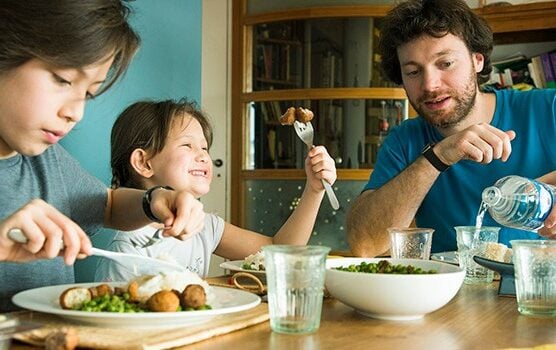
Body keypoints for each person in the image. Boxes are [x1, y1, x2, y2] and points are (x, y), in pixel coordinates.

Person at [0, 0, 208, 311]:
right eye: (63, 80)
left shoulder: (48, 160)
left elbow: (107, 206)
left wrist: (154, 200)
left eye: (88, 93)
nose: (75, 112)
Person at [346, 0, 556, 257]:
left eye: (445, 64)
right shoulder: (405, 140)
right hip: (455, 295)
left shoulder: (549, 108)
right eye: (413, 72)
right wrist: (437, 157)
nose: (430, 85)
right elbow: (364, 245)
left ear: (477, 60)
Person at [95, 99, 337, 281]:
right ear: (144, 163)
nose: (203, 156)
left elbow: (281, 252)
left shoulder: (205, 227)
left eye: (204, 147)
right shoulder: (127, 251)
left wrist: (314, 190)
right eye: (187, 145)